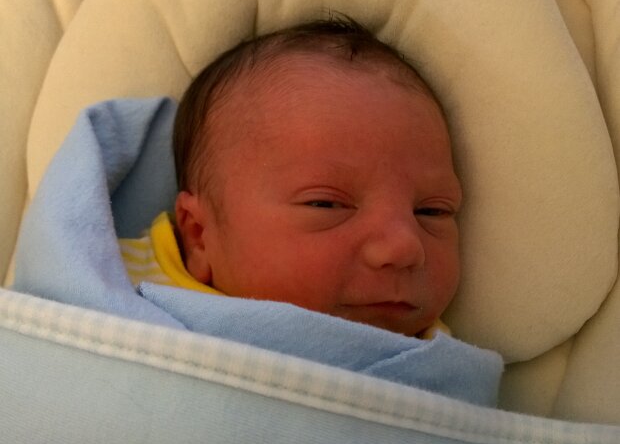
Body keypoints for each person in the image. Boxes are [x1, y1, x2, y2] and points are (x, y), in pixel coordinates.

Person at [120, 17, 462, 339]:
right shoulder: (115, 287)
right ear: (199, 235)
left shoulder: (439, 364)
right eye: (325, 204)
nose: (405, 246)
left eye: (432, 211)